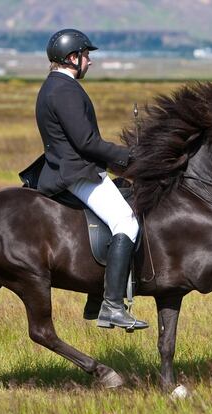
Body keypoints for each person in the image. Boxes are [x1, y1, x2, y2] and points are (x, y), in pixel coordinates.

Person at [34, 29, 148, 331]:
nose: (90, 61)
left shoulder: (52, 86)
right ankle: (112, 306)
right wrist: (129, 156)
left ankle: (95, 296)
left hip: (67, 168)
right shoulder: (65, 90)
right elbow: (86, 142)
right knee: (126, 222)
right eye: (86, 55)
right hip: (76, 173)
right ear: (73, 58)